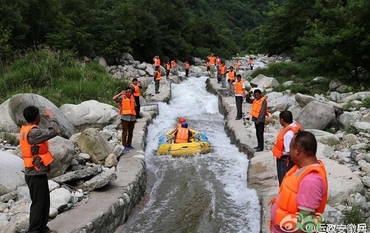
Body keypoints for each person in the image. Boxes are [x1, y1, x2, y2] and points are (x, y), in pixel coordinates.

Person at [270, 131, 328, 233]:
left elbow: (305, 225)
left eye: (290, 148)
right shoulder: (301, 169)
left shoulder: (311, 181)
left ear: (297, 150)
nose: (289, 152)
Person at [19, 106, 60, 233]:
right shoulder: (33, 133)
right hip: (35, 174)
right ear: (37, 117)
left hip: (36, 172)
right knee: (38, 204)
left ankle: (43, 228)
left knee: (44, 202)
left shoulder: (26, 129)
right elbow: (55, 131)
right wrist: (51, 117)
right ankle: (35, 230)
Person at [272, 111, 302, 186]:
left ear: (282, 120)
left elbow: (289, 151)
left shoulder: (288, 134)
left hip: (285, 160)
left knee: (283, 181)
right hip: (290, 160)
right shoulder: (294, 125)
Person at [113, 87, 136, 151]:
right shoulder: (122, 98)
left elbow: (134, 106)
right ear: (125, 92)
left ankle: (129, 144)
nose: (129, 93)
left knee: (131, 132)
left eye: (130, 92)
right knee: (125, 132)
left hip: (132, 117)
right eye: (128, 92)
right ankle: (124, 145)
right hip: (125, 117)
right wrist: (120, 93)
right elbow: (114, 98)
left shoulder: (132, 97)